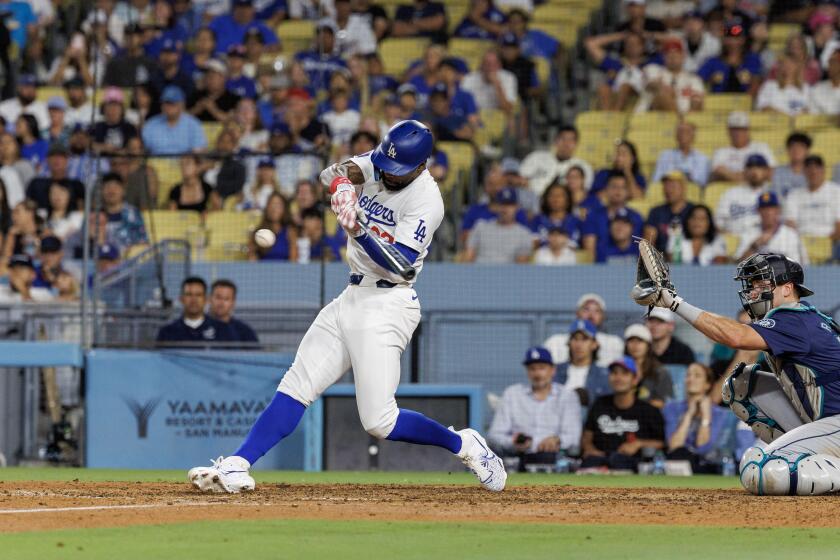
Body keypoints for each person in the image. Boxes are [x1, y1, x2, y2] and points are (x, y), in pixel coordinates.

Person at [188, 120, 508, 494]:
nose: (387, 175)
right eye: (385, 167)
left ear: (421, 166)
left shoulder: (427, 202)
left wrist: (357, 229)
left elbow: (399, 263)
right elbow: (333, 173)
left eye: (397, 172)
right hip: (352, 295)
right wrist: (341, 186)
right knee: (297, 384)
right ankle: (238, 464)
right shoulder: (381, 160)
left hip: (389, 302)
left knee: (379, 421)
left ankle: (465, 445)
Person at [630, 251, 840, 495]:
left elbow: (736, 336)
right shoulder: (806, 317)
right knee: (742, 385)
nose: (752, 293)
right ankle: (799, 453)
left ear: (787, 288)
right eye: (751, 286)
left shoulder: (792, 318)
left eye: (761, 284)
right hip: (826, 421)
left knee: (762, 471)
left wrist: (674, 302)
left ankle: (800, 459)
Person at [488, 345, 581, 461]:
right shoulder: (512, 394)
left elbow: (574, 436)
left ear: (553, 370)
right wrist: (513, 442)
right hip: (518, 457)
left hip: (555, 459)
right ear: (527, 371)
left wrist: (557, 440)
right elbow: (494, 435)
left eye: (542, 368)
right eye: (532, 368)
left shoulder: (567, 396)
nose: (537, 374)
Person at [580, 356, 665, 472]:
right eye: (614, 373)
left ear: (635, 379)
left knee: (619, 460)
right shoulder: (599, 404)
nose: (618, 378)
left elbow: (661, 443)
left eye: (624, 373)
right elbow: (587, 437)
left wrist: (638, 444)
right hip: (599, 462)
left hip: (631, 465)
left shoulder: (648, 410)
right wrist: (589, 449)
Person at [662, 363, 728, 473]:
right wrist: (689, 414)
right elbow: (674, 446)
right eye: (688, 375)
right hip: (678, 464)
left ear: (707, 384)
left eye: (697, 375)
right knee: (680, 454)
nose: (690, 379)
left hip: (706, 465)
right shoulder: (671, 408)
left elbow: (703, 447)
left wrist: (706, 415)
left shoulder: (718, 413)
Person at [543, 293, 624, 368]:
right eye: (586, 309)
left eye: (597, 311)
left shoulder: (614, 343)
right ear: (577, 313)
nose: (591, 315)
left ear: (602, 316)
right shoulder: (555, 342)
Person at [462, 187, 534, 264]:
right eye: (502, 204)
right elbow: (468, 257)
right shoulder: (481, 226)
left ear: (517, 207)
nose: (505, 209)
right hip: (479, 272)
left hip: (507, 274)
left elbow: (520, 269)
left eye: (509, 205)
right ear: (496, 206)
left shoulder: (523, 234)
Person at [520, 125, 594, 197]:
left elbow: (582, 194)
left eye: (571, 140)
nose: (566, 144)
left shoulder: (584, 167)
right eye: (563, 139)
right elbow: (520, 179)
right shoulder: (536, 157)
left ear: (576, 144)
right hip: (533, 201)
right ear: (555, 141)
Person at [735, 192, 808, 265]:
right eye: (764, 208)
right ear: (758, 211)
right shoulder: (750, 232)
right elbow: (738, 266)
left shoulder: (790, 235)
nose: (768, 212)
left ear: (778, 210)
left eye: (771, 208)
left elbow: (799, 267)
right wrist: (754, 246)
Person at [637, 37, 704, 114]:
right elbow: (652, 85)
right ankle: (680, 121)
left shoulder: (694, 79)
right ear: (663, 57)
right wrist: (667, 90)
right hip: (649, 119)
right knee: (662, 95)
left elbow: (697, 102)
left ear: (683, 56)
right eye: (668, 54)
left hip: (685, 118)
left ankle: (681, 122)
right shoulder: (653, 69)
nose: (672, 57)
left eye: (676, 54)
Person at [784, 155, 840, 245]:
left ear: (823, 170)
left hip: (829, 243)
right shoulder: (794, 195)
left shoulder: (836, 192)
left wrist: (825, 245)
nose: (813, 171)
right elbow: (790, 224)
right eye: (809, 168)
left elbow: (839, 226)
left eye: (817, 168)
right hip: (800, 243)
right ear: (804, 172)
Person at [554, 319, 611, 407]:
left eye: (584, 339)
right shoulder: (555, 371)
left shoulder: (605, 375)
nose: (579, 344)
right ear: (569, 343)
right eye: (575, 339)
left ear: (594, 344)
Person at [156, 277, 229, 345]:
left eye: (198, 295)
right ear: (181, 299)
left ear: (206, 299)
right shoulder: (167, 332)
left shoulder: (222, 330)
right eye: (189, 294)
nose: (194, 300)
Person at [698, 22, 762, 95]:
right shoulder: (712, 62)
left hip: (746, 103)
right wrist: (710, 80)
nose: (732, 42)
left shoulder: (752, 60)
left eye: (736, 38)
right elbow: (698, 80)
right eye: (729, 37)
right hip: (717, 103)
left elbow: (757, 83)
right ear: (723, 40)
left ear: (743, 39)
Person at [141, 86, 208, 155]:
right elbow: (142, 151)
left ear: (182, 105)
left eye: (172, 103)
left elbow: (199, 152)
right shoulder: (151, 124)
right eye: (166, 103)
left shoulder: (193, 124)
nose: (168, 107)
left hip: (183, 163)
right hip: (155, 163)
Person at [715, 153, 771, 236]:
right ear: (744, 171)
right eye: (750, 167)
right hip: (734, 241)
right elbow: (718, 223)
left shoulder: (772, 193)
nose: (754, 171)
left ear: (766, 171)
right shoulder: (730, 193)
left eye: (759, 167)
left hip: (763, 241)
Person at [710, 111, 775, 183]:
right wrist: (752, 175)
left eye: (742, 129)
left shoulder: (761, 148)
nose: (738, 133)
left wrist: (730, 174)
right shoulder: (720, 151)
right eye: (734, 129)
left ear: (747, 130)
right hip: (730, 191)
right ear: (728, 131)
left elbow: (771, 172)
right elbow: (716, 173)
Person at [623, 323, 673, 407]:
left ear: (648, 345)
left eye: (640, 341)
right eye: (631, 340)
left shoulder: (660, 372)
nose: (635, 345)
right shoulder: (619, 370)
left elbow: (664, 402)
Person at [644, 170, 694, 254]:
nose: (668, 190)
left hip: (689, 258)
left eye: (673, 186)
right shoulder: (656, 212)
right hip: (662, 261)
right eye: (666, 186)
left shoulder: (694, 211)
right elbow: (649, 243)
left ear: (683, 188)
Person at [651, 121, 710, 187]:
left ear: (693, 137)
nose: (683, 135)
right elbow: (656, 179)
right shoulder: (665, 156)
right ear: (676, 136)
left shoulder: (702, 158)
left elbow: (701, 181)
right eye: (680, 132)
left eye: (687, 132)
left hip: (692, 192)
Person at [101, 172, 148, 253]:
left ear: (123, 190)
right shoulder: (95, 215)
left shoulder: (133, 214)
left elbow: (143, 243)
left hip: (128, 262)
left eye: (115, 186)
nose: (111, 190)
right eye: (107, 186)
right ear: (102, 191)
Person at [461, 50, 517, 115]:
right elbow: (463, 105)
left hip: (499, 117)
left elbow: (508, 109)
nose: (490, 68)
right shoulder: (469, 78)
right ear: (481, 65)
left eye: (494, 64)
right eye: (487, 64)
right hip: (475, 115)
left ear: (499, 65)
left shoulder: (508, 78)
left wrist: (497, 86)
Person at [249, 192, 298, 261]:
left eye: (278, 205)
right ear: (267, 208)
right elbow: (252, 260)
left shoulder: (290, 232)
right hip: (262, 271)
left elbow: (293, 261)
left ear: (284, 209)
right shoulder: (257, 233)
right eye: (271, 204)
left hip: (285, 271)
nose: (274, 209)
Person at [208, 279, 259, 344]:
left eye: (226, 299)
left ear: (233, 302)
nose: (221, 303)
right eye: (218, 297)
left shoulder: (245, 331)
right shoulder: (198, 328)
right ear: (209, 299)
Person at [771, 132, 811, 196]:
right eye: (793, 146)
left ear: (807, 150)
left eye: (800, 146)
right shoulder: (778, 172)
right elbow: (777, 196)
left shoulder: (813, 172)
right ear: (787, 150)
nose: (796, 150)